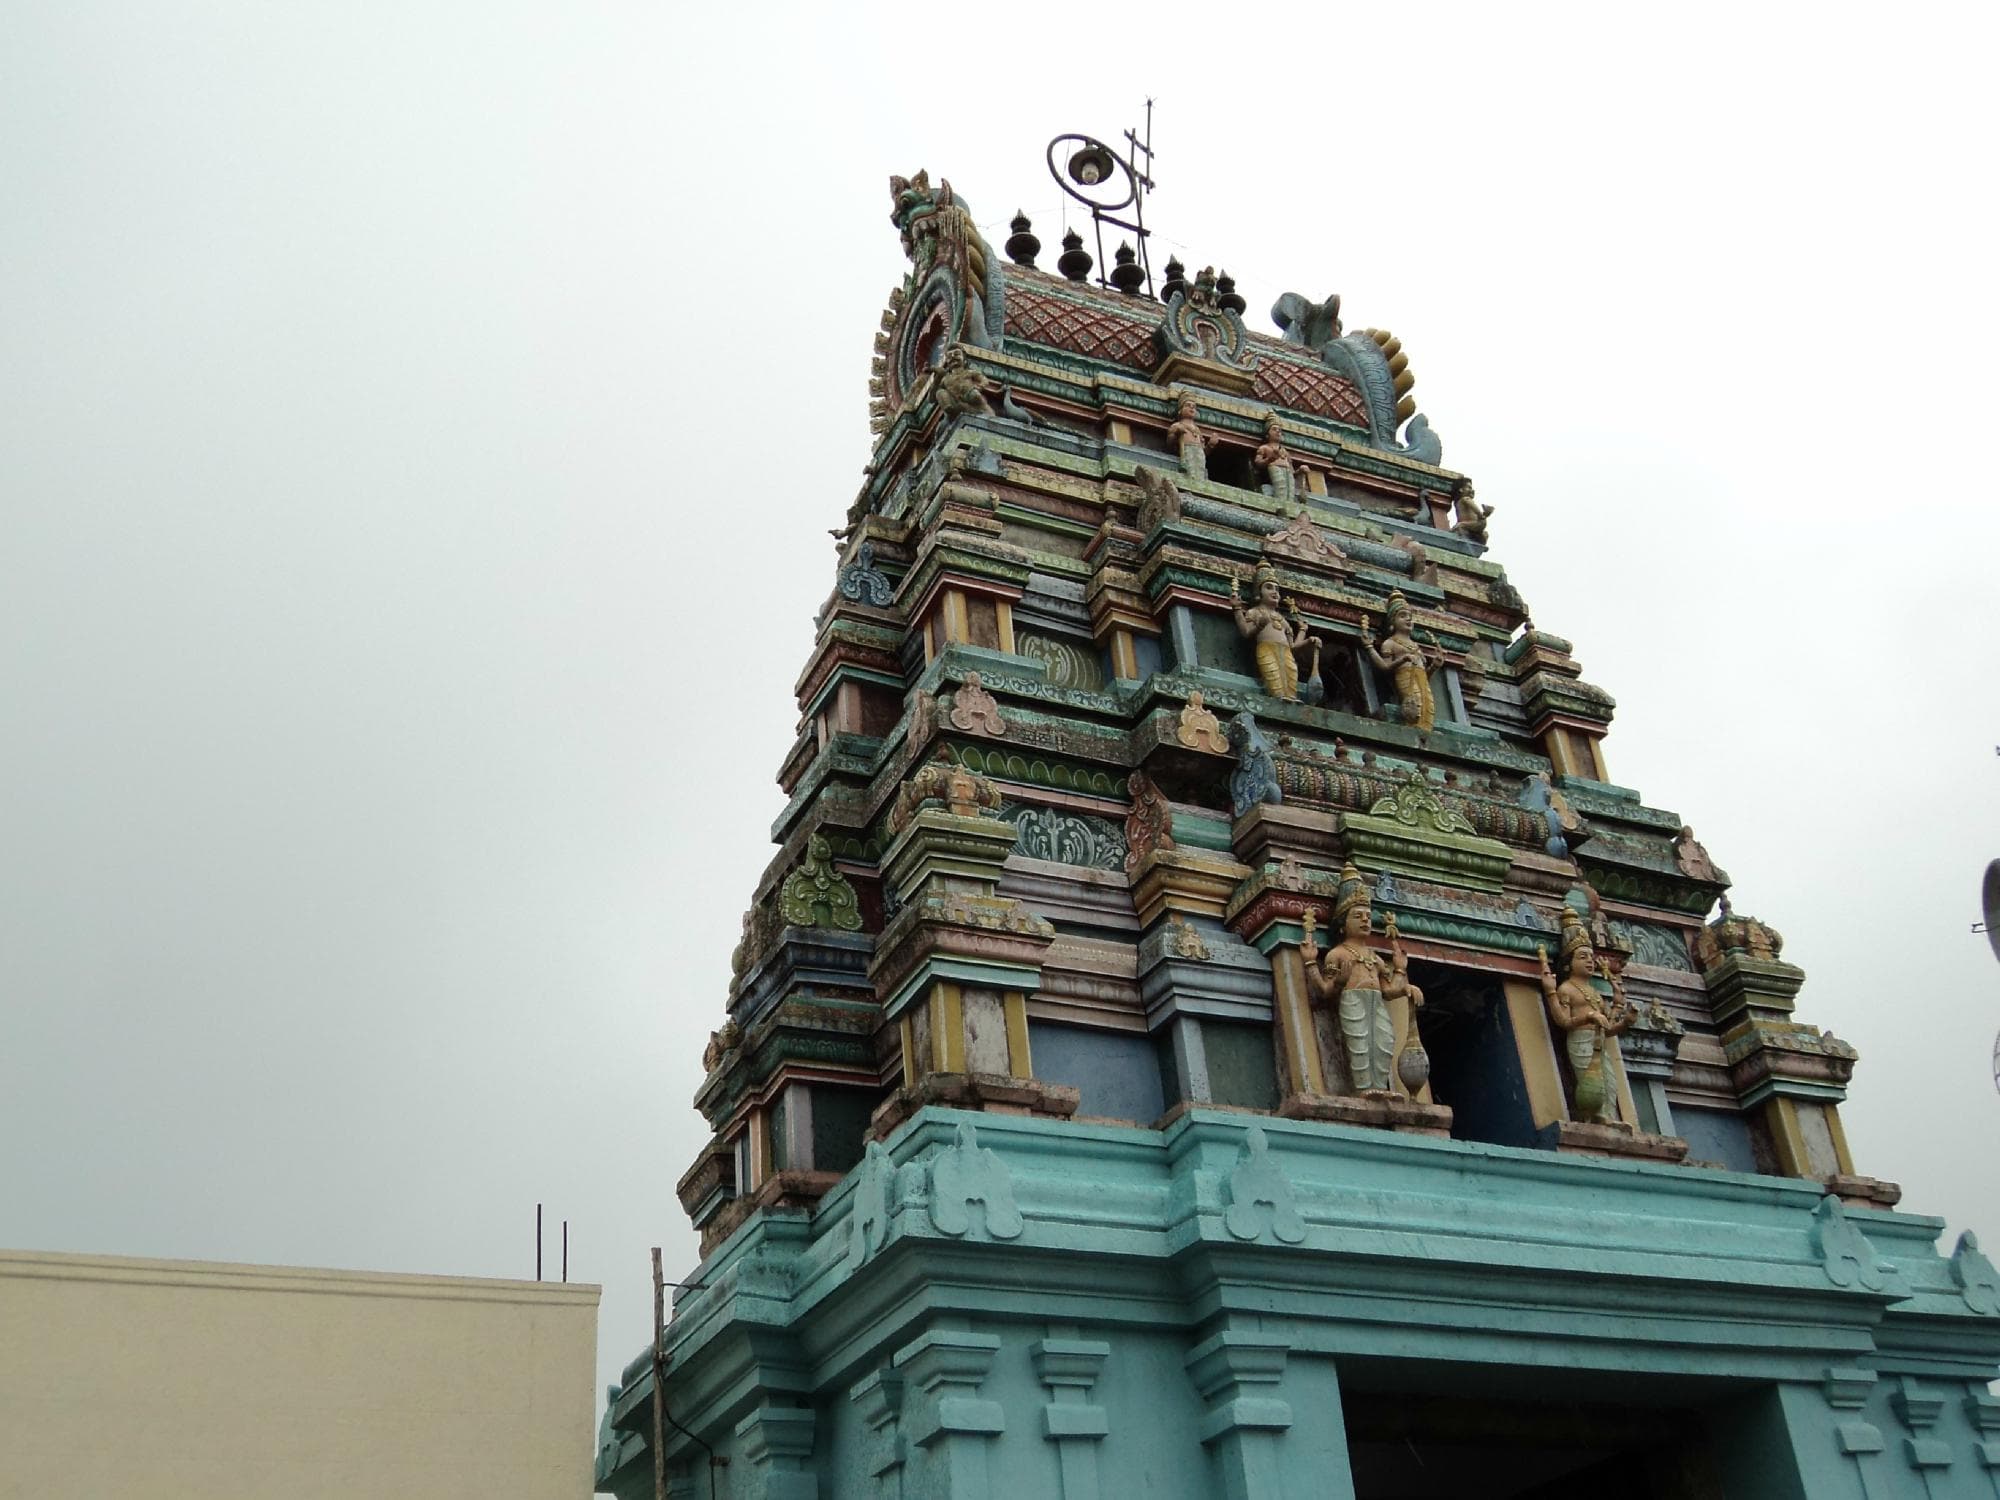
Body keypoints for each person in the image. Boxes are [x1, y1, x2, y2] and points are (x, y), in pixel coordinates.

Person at [1300, 863, 1425, 1094]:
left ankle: (1379, 1086)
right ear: (1342, 924)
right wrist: (1312, 963)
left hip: (1376, 1001)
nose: (1366, 921)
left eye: (1368, 917)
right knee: (1359, 1043)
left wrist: (1403, 978)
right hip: (1352, 1000)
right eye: (1358, 916)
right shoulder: (1337, 954)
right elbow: (1325, 990)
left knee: (1384, 1042)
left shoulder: (1375, 958)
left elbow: (1388, 990)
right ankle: (1364, 1088)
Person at [1538, 906, 1636, 1123]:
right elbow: (1562, 1020)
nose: (1590, 962)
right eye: (1583, 957)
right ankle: (1596, 1117)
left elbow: (1608, 1027)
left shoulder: (1594, 992)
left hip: (1599, 1040)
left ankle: (1608, 1116)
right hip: (1580, 1039)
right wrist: (1588, 1017)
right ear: (1569, 964)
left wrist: (1625, 1020)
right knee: (1589, 1082)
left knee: (1609, 1082)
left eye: (1591, 957)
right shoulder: (1566, 989)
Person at [1360, 589, 1439, 733]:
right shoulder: (1390, 643)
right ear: (1392, 622)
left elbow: (1425, 674)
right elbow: (1384, 666)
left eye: (1409, 616)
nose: (1408, 619)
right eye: (1402, 616)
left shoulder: (1416, 646)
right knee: (1415, 706)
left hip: (1421, 679)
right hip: (1404, 678)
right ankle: (1414, 730)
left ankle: (1425, 732)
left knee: (1428, 707)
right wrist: (1370, 648)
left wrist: (1434, 666)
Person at [1231, 563, 1312, 702]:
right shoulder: (1254, 612)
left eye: (1277, 589)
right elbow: (1245, 632)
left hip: (1286, 652)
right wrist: (1237, 609)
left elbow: (1292, 646)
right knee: (1273, 675)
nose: (1275, 592)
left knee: (1290, 675)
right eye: (1269, 587)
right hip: (1266, 649)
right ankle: (1278, 698)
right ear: (1258, 592)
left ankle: (1291, 697)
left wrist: (1305, 634)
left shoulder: (1283, 620)